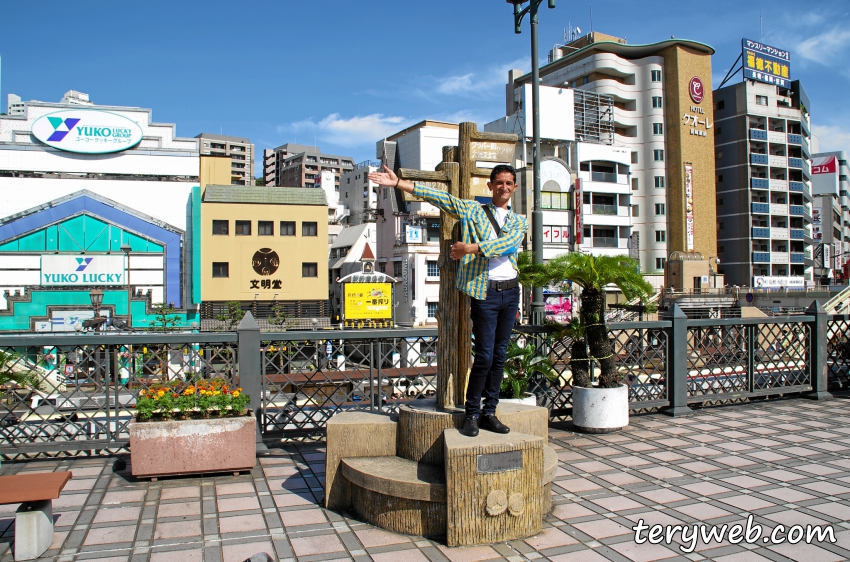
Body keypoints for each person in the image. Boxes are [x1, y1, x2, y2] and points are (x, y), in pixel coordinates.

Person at [368, 164, 528, 437]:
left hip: (511, 291)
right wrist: (398, 184)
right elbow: (439, 197)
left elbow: (510, 245)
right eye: (499, 182)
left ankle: (490, 411)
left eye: (508, 183)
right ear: (490, 186)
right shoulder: (474, 210)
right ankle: (472, 414)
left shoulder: (519, 220)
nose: (504, 187)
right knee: (485, 356)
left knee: (500, 356)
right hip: (484, 291)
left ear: (514, 187)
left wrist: (471, 248)